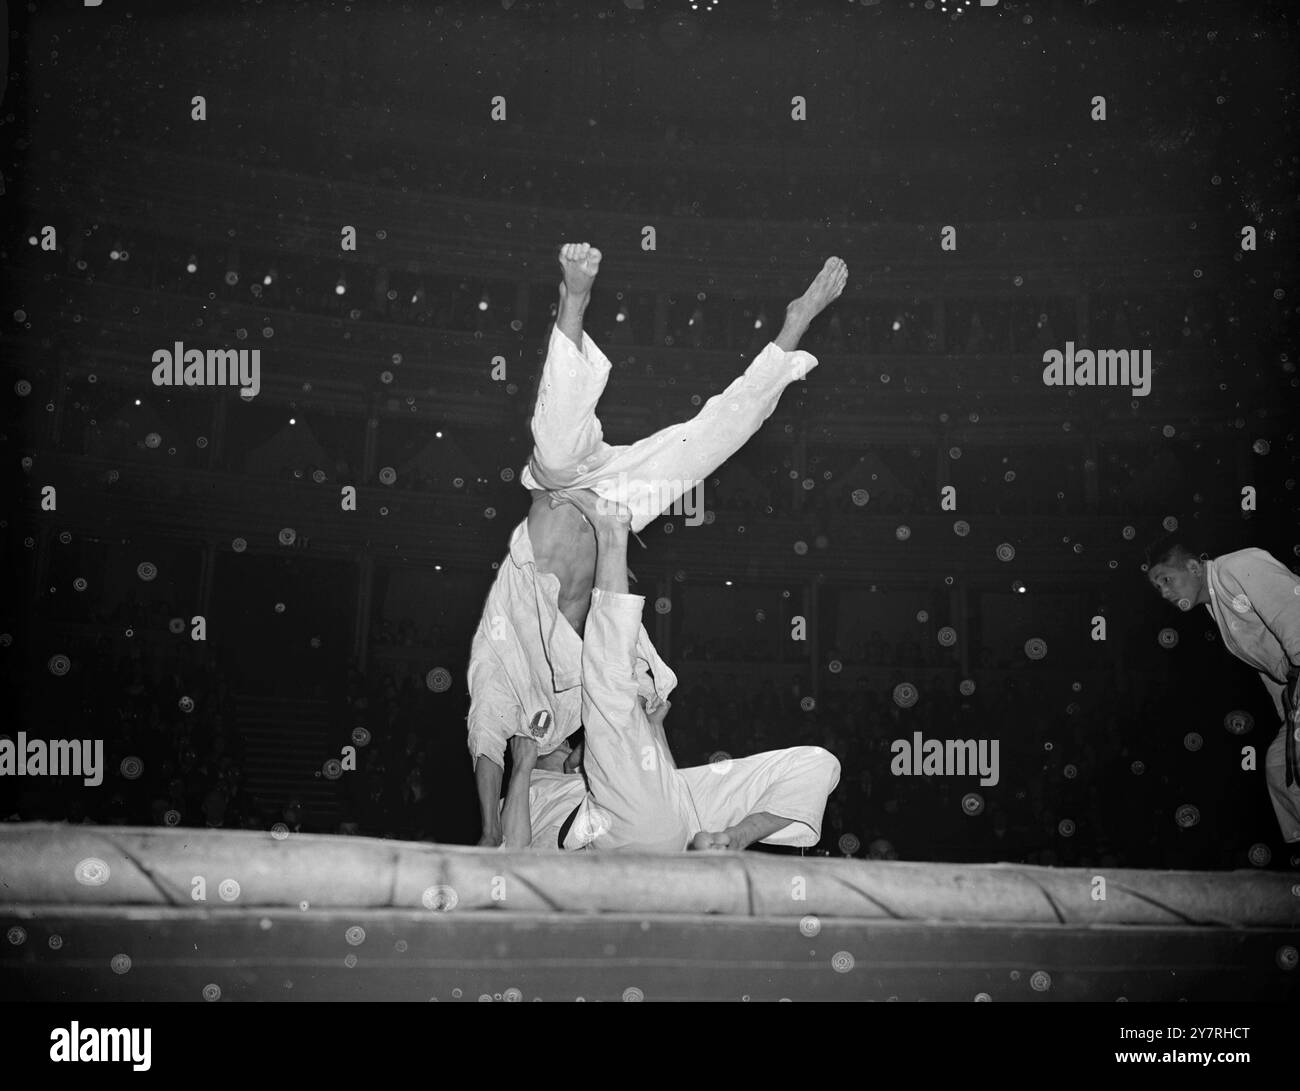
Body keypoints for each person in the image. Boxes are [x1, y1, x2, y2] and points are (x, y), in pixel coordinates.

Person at [467, 241, 848, 845]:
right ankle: (793, 327)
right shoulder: (582, 709)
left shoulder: (506, 665)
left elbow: (487, 738)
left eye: (558, 757)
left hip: (564, 487)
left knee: (560, 446)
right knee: (707, 442)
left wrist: (489, 832)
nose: (565, 757)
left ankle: (573, 303)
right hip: (616, 505)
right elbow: (634, 710)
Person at [500, 488, 840, 853]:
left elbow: (668, 795)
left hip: (682, 823)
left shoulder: (595, 771)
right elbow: (511, 856)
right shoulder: (526, 790)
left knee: (816, 763)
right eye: (555, 740)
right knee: (609, 692)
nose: (563, 740)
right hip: (616, 836)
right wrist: (521, 767)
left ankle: (734, 839)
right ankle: (612, 535)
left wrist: (656, 731)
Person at [1147, 541, 1300, 842]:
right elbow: (1272, 669)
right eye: (1158, 587)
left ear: (1193, 567)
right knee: (1280, 765)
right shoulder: (1216, 608)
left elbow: (1292, 609)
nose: (1164, 593)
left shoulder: (1239, 565)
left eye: (1166, 579)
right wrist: (1289, 715)